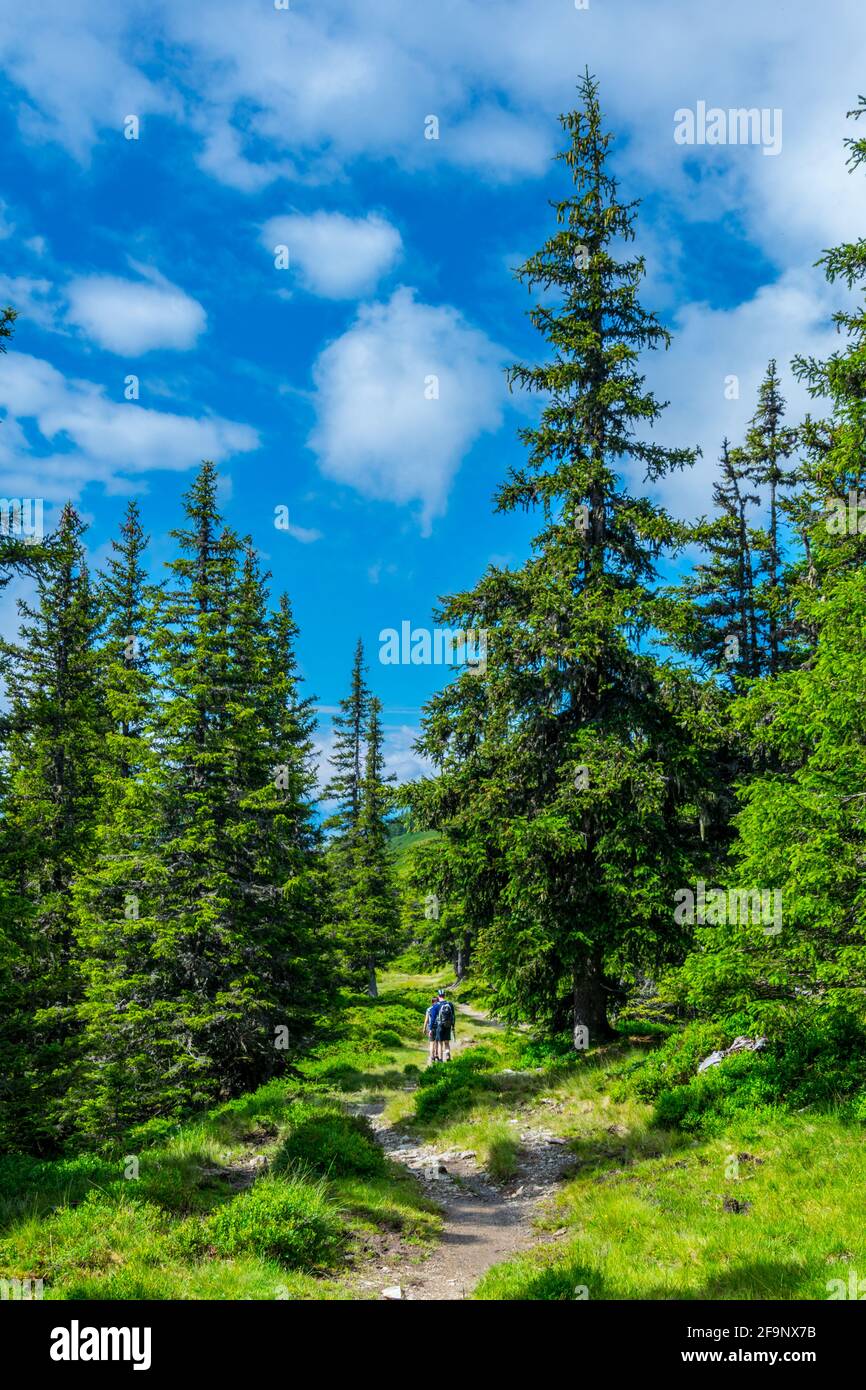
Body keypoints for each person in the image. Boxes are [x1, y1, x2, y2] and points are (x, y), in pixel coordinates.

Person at [434, 990, 456, 1061]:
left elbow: (434, 1017)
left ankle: (440, 1060)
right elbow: (453, 1016)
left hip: (439, 1026)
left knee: (440, 1043)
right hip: (448, 1025)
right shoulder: (450, 1004)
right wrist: (453, 1025)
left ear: (438, 996)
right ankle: (448, 1055)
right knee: (446, 1042)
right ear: (444, 995)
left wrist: (431, 1028)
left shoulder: (436, 1005)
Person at [423, 995, 441, 1063]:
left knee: (431, 1043)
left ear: (432, 1002)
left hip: (431, 1027)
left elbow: (426, 1020)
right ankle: (437, 1055)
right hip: (438, 1026)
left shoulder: (429, 1009)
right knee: (437, 1042)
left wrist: (424, 1028)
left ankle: (432, 1057)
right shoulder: (439, 1008)